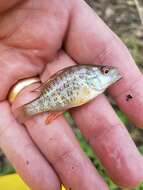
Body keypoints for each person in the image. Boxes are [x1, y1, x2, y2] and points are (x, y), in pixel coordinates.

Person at [0, 0, 143, 189]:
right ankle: (29, 111)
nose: (109, 73)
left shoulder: (92, 84)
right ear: (96, 74)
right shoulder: (88, 81)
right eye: (105, 72)